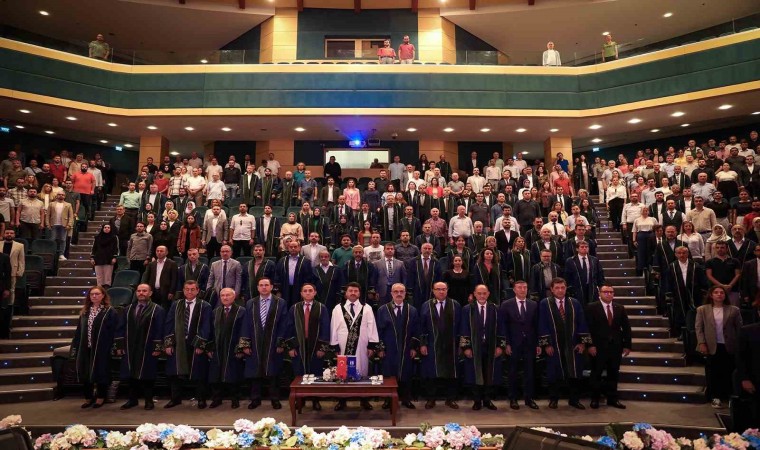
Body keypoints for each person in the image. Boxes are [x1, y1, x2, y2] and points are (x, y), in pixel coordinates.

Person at [538, 277, 591, 409]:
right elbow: (542, 324)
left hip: (573, 344)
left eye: (562, 287)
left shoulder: (575, 303)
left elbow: (582, 323)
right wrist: (547, 344)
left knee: (574, 372)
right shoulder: (545, 303)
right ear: (551, 289)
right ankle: (553, 399)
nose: (560, 290)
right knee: (553, 372)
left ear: (566, 288)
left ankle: (574, 399)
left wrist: (582, 343)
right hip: (554, 344)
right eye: (557, 288)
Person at [330, 282, 380, 411]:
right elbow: (333, 327)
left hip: (362, 345)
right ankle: (342, 400)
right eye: (350, 291)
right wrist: (335, 346)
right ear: (346, 293)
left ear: (359, 293)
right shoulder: (338, 308)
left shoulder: (366, 308)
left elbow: (372, 326)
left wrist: (372, 345)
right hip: (343, 345)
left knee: (362, 370)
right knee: (343, 371)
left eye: (356, 291)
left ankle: (364, 400)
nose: (353, 293)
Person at [239, 277, 288, 410]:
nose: (264, 287)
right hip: (255, 340)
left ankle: (275, 399)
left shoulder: (280, 302)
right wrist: (245, 344)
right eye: (261, 285)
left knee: (273, 372)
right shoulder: (250, 303)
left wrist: (280, 343)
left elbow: (284, 324)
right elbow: (246, 324)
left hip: (272, 341)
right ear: (257, 288)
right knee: (255, 372)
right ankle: (255, 399)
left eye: (266, 285)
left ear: (271, 287)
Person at [163, 280, 213, 409]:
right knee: (175, 372)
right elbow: (169, 324)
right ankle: (175, 399)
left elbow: (206, 326)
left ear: (197, 291)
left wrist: (200, 344)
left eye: (192, 289)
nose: (189, 291)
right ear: (183, 290)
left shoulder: (205, 306)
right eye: (187, 289)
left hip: (195, 342)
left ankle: (201, 399)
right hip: (178, 342)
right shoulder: (176, 305)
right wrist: (169, 344)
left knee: (199, 372)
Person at [116, 284, 166, 411]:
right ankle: (132, 400)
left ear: (150, 293)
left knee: (148, 374)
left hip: (148, 347)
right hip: (130, 346)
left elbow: (160, 330)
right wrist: (120, 345)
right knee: (131, 374)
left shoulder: (157, 310)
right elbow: (120, 328)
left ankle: (149, 400)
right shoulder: (128, 309)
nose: (141, 293)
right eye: (139, 291)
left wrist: (157, 348)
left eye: (144, 291)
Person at [69, 286, 118, 409]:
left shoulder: (109, 311)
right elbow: (79, 330)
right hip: (86, 347)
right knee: (85, 372)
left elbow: (114, 330)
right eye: (92, 294)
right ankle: (88, 397)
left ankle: (100, 397)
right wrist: (76, 346)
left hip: (102, 347)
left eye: (97, 294)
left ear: (103, 295)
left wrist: (113, 346)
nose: (94, 296)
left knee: (101, 372)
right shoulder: (85, 312)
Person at [284, 283, 331, 411]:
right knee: (299, 373)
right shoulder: (294, 308)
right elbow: (288, 328)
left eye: (310, 290)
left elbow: (325, 328)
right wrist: (291, 347)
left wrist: (322, 348)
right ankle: (300, 400)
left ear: (315, 292)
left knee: (315, 373)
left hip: (315, 346)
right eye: (305, 291)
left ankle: (315, 400)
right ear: (301, 293)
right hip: (299, 345)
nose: (308, 293)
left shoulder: (321, 308)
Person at [696, 285, 742, 409]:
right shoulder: (702, 309)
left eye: (722, 292)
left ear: (725, 295)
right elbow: (699, 328)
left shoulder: (734, 310)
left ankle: (729, 396)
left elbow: (739, 329)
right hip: (711, 345)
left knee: (728, 370)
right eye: (716, 292)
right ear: (711, 295)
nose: (719, 294)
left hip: (729, 345)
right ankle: (715, 397)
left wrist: (740, 345)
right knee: (713, 372)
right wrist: (702, 343)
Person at [585, 286, 631, 409]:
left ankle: (612, 399)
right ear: (600, 293)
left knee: (613, 373)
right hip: (597, 347)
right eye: (605, 292)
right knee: (596, 373)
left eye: (611, 292)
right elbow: (587, 328)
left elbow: (626, 328)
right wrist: (590, 345)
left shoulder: (619, 308)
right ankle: (595, 399)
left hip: (615, 347)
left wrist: (627, 345)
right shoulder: (591, 307)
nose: (608, 294)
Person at [460, 284, 505, 411]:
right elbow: (464, 328)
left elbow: (501, 328)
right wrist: (466, 347)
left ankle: (487, 399)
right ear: (474, 294)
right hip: (474, 346)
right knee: (475, 373)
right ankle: (477, 400)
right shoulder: (467, 309)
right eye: (479, 293)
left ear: (488, 294)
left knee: (489, 373)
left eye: (484, 293)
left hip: (491, 346)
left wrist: (500, 346)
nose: (482, 296)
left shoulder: (495, 309)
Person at [376, 283, 418, 409]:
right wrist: (380, 348)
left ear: (405, 293)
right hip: (389, 347)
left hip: (406, 347)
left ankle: (406, 399)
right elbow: (378, 331)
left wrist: (413, 347)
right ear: (391, 293)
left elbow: (416, 330)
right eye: (396, 291)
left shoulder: (412, 310)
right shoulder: (382, 310)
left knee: (406, 372)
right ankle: (388, 400)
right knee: (388, 373)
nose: (399, 294)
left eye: (401, 291)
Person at [419, 281, 461, 409]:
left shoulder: (455, 305)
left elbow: (461, 326)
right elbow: (422, 326)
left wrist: (461, 345)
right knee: (431, 372)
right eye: (438, 289)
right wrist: (423, 344)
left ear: (447, 290)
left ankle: (450, 399)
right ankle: (431, 398)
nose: (441, 291)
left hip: (451, 344)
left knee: (451, 373)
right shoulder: (426, 305)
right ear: (433, 291)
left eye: (444, 289)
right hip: (432, 343)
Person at [500, 281, 540, 410]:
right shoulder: (506, 304)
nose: (523, 290)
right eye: (520, 287)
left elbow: (537, 325)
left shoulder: (534, 304)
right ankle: (513, 398)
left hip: (530, 343)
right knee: (513, 371)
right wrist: (506, 343)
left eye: (525, 287)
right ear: (514, 289)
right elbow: (503, 326)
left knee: (530, 371)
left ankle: (529, 398)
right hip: (513, 343)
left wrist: (538, 344)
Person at [666, 246, 707, 341]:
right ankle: (683, 333)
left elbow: (702, 280)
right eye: (679, 253)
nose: (682, 255)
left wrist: (704, 291)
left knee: (694, 312)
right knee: (680, 312)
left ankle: (695, 333)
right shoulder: (672, 266)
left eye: (684, 253)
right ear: (676, 254)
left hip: (694, 293)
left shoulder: (695, 265)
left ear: (688, 254)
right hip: (678, 293)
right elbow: (668, 281)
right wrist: (669, 293)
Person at [275, 240, 314, 307]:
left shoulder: (306, 261)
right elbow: (277, 275)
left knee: (298, 308)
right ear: (288, 248)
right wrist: (278, 290)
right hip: (285, 289)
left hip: (299, 289)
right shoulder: (282, 260)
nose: (293, 248)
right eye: (291, 247)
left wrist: (305, 290)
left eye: (295, 247)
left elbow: (309, 277)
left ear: (299, 248)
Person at [407, 243, 442, 309]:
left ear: (432, 250)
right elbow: (410, 277)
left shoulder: (436, 262)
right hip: (417, 291)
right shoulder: (413, 261)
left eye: (429, 249)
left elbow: (438, 277)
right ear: (421, 249)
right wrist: (410, 292)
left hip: (431, 291)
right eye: (425, 248)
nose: (427, 250)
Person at [142, 245, 178, 310]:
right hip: (153, 291)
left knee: (165, 309)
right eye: (157, 251)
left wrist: (171, 292)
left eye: (161, 251)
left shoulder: (172, 263)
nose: (159, 252)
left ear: (166, 252)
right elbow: (146, 278)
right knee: (153, 309)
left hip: (166, 291)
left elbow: (174, 279)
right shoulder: (151, 264)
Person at [46, 191, 75, 260]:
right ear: (56, 196)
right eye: (59, 194)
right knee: (52, 239)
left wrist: (69, 225)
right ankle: (52, 254)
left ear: (64, 196)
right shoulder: (51, 204)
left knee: (63, 240)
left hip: (64, 225)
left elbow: (71, 216)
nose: (61, 196)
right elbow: (48, 215)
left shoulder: (68, 205)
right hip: (53, 224)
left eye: (62, 195)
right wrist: (47, 224)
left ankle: (61, 254)